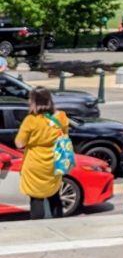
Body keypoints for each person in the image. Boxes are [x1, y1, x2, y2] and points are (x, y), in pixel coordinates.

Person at [14, 87, 69, 219]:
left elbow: (19, 143)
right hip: (54, 161)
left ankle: (38, 227)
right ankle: (59, 223)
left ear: (33, 101)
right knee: (54, 194)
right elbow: (65, 136)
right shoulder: (61, 116)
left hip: (35, 163)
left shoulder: (31, 120)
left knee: (36, 197)